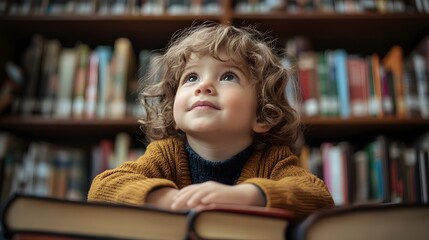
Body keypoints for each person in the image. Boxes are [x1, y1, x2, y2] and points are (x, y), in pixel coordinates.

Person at [87, 22, 334, 220]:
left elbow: (319, 198)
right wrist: (166, 200)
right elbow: (102, 188)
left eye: (228, 76)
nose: (203, 86)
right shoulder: (165, 155)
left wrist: (248, 196)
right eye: (191, 77)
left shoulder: (273, 160)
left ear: (262, 114)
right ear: (173, 107)